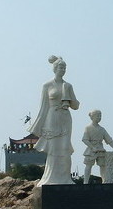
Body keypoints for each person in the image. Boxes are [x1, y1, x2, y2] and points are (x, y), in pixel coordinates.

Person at [28, 56, 80, 186]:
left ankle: (65, 178)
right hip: (52, 117)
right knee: (53, 148)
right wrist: (39, 125)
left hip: (65, 118)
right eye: (60, 67)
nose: (62, 69)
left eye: (64, 68)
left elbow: (76, 106)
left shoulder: (67, 86)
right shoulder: (47, 85)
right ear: (55, 69)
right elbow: (43, 106)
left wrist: (70, 101)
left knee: (64, 148)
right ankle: (50, 178)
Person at [82, 110, 113, 184]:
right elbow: (85, 139)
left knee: (103, 166)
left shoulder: (102, 129)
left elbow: (109, 140)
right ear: (92, 117)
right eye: (97, 116)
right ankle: (85, 182)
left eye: (100, 116)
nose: (99, 117)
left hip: (101, 149)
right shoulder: (88, 128)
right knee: (88, 166)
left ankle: (104, 181)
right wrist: (92, 147)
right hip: (91, 150)